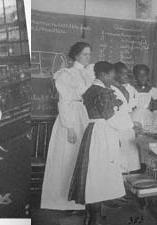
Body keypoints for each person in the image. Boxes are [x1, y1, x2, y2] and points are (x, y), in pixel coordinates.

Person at [69, 61, 130, 225]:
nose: (114, 77)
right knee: (99, 175)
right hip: (102, 134)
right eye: (111, 74)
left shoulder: (90, 90)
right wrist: (131, 124)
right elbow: (110, 117)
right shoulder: (103, 91)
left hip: (93, 131)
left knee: (93, 174)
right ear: (103, 75)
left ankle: (91, 215)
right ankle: (94, 219)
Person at [41, 42, 94, 211]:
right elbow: (63, 102)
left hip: (84, 116)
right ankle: (63, 200)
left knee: (82, 157)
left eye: (89, 54)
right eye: (85, 54)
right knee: (68, 157)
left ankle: (80, 199)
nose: (88, 57)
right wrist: (69, 127)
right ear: (76, 55)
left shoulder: (89, 73)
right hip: (70, 118)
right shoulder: (66, 74)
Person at [112, 62, 141, 173]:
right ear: (114, 74)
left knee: (129, 153)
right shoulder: (111, 89)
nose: (126, 76)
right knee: (120, 154)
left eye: (127, 73)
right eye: (122, 74)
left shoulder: (130, 88)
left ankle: (128, 177)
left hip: (128, 122)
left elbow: (133, 105)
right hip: (117, 124)